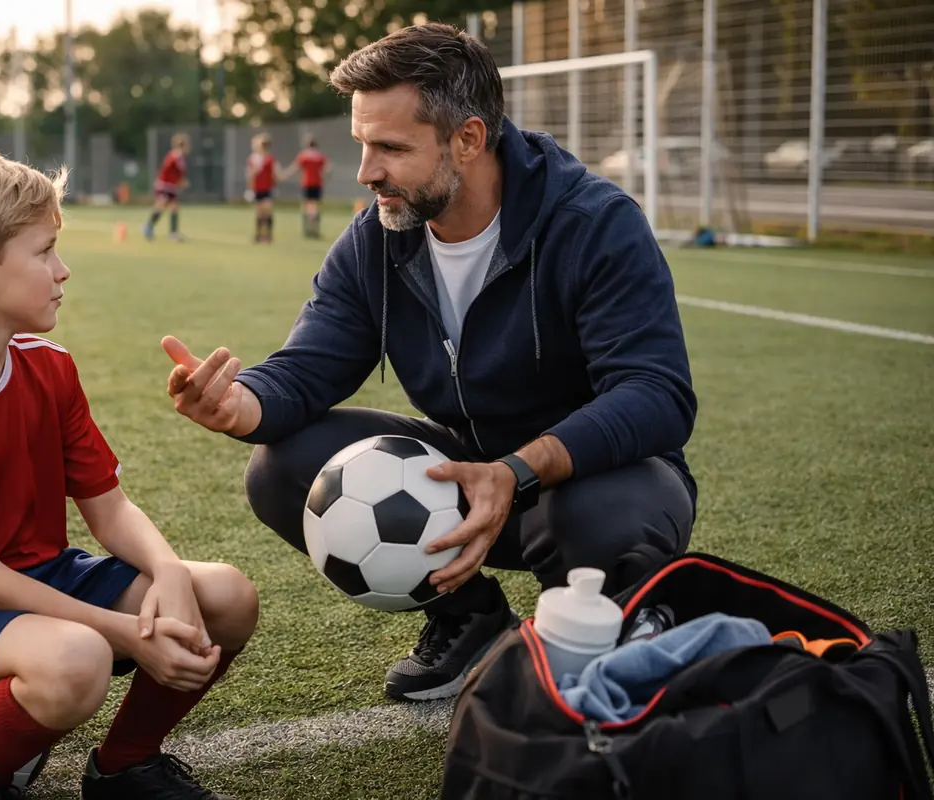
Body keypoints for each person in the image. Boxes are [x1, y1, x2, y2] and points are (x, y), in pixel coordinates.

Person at [162, 22, 696, 704]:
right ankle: (468, 617)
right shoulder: (376, 240)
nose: (365, 172)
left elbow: (657, 394)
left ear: (467, 140)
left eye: (390, 148)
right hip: (462, 482)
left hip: (583, 480)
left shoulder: (593, 223)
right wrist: (241, 403)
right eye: (362, 144)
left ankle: (598, 632)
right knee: (282, 465)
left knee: (596, 517)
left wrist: (518, 469)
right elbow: (309, 364)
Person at [0, 145, 257, 798]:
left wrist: (170, 575)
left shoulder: (48, 367)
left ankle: (126, 763)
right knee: (80, 658)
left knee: (227, 598)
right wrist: (132, 633)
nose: (62, 270)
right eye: (44, 252)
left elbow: (111, 509)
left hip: (40, 575)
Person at [281, 136, 331, 239]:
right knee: (315, 206)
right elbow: (327, 169)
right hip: (317, 184)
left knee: (307, 206)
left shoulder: (304, 155)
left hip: (307, 184)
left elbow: (295, 168)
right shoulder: (320, 156)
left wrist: (285, 174)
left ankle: (308, 229)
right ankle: (315, 229)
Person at [145, 133, 190, 242]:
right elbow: (169, 170)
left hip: (170, 186)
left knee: (173, 207)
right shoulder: (177, 156)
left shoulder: (177, 156)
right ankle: (149, 227)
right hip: (165, 186)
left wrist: (179, 181)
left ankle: (172, 233)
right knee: (161, 205)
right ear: (182, 145)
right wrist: (181, 181)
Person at [246, 134, 277, 243]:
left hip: (267, 188)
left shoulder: (270, 159)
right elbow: (250, 175)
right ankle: (258, 234)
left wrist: (274, 184)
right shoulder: (253, 159)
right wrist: (250, 189)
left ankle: (268, 235)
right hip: (258, 188)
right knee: (259, 213)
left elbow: (273, 174)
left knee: (267, 211)